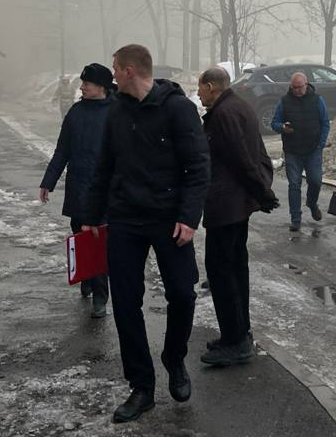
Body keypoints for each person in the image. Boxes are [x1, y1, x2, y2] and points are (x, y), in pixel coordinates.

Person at [82, 44, 210, 424]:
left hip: (169, 219)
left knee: (183, 294)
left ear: (130, 70)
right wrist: (91, 213)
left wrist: (189, 217)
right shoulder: (117, 111)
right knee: (125, 302)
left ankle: (175, 357)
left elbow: (198, 166)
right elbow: (104, 166)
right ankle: (141, 385)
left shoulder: (177, 109)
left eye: (115, 70)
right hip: (125, 219)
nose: (112, 76)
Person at [194, 66, 279, 368]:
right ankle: (238, 333)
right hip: (235, 204)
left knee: (221, 272)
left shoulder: (225, 114)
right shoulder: (238, 105)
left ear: (213, 85)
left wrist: (263, 193)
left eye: (200, 87)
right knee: (235, 269)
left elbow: (242, 158)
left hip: (226, 205)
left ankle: (235, 341)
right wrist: (260, 191)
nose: (198, 93)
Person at [39, 63, 115, 317]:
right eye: (82, 83)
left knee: (99, 240)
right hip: (78, 185)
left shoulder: (117, 112)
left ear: (101, 87)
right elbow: (62, 150)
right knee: (79, 233)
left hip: (105, 189)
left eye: (87, 84)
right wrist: (48, 181)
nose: (81, 87)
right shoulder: (76, 112)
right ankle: (87, 277)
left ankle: (101, 297)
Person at [270, 72, 330, 232]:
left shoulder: (317, 100)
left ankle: (311, 202)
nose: (297, 90)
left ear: (306, 84)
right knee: (294, 185)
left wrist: (320, 144)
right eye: (294, 87)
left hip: (313, 150)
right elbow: (274, 123)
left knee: (316, 181)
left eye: (299, 87)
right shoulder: (284, 102)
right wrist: (282, 127)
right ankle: (295, 218)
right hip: (292, 151)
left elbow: (325, 123)